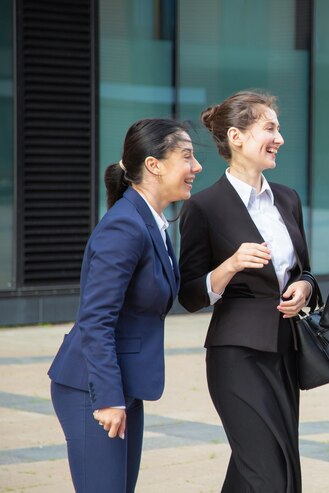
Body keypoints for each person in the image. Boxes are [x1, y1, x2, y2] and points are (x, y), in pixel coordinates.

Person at [48, 118, 203, 492]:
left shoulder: (151, 223)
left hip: (123, 384)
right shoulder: (125, 226)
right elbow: (95, 321)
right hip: (94, 389)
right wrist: (108, 399)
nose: (196, 167)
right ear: (153, 165)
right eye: (187, 157)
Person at [178, 90, 316, 493]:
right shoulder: (204, 207)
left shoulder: (287, 199)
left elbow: (304, 270)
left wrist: (305, 286)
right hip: (237, 355)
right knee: (269, 475)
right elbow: (188, 295)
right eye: (269, 128)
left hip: (286, 352)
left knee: (272, 467)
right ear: (236, 137)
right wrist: (231, 265)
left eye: (279, 128)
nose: (280, 138)